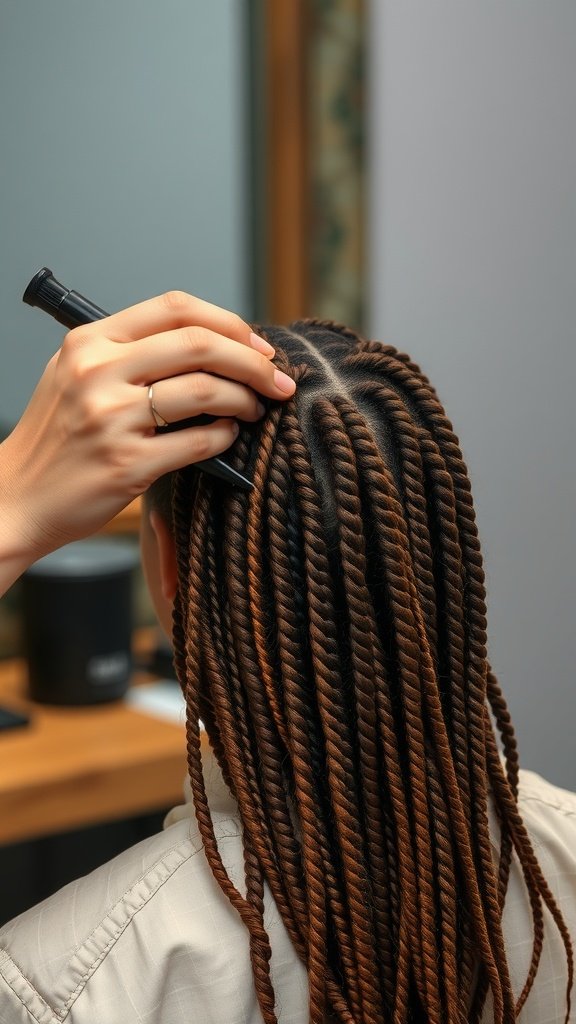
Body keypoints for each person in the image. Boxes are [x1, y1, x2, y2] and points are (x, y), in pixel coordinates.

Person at [1, 318, 575, 1024]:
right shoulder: (565, 864)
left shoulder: (64, 985)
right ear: (441, 562)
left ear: (170, 566)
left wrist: (11, 504)